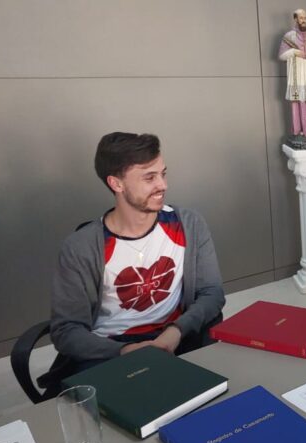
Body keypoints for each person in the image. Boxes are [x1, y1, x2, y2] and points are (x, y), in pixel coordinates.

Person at [46, 132, 225, 386]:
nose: (162, 185)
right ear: (116, 184)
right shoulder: (80, 248)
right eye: (149, 178)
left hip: (177, 334)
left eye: (163, 174)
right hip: (113, 350)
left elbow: (212, 293)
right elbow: (66, 330)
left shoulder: (189, 224)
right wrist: (124, 351)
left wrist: (176, 331)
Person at [278, 8, 306, 137]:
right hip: (297, 72)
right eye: (301, 18)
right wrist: (293, 52)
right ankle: (299, 130)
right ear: (295, 19)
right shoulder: (289, 36)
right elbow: (281, 55)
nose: (303, 20)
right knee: (298, 102)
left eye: (305, 18)